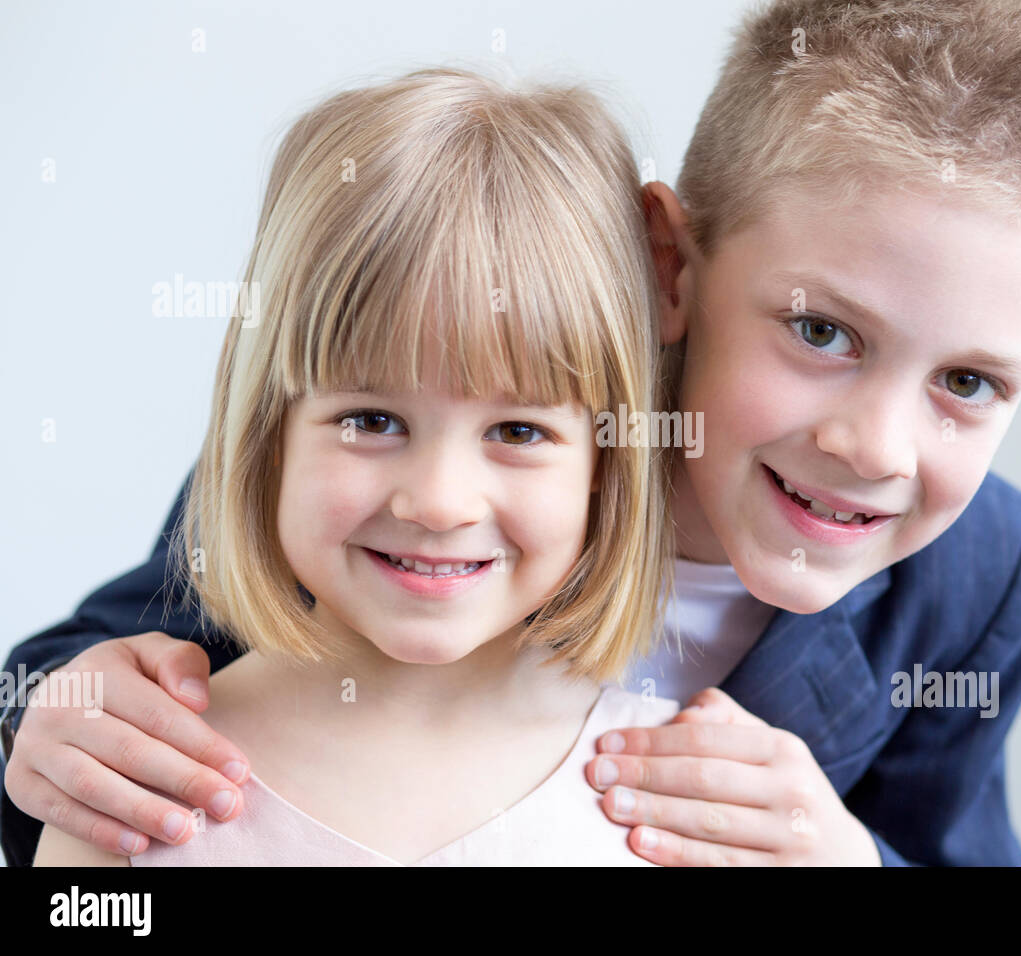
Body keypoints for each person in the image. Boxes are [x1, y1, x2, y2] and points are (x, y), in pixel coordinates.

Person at [3, 0, 1021, 867]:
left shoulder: (978, 578)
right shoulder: (427, 429)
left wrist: (846, 857)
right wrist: (56, 722)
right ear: (670, 265)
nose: (876, 445)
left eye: (969, 380)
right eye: (821, 329)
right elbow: (94, 667)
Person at [26, 65, 680, 865]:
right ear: (269, 436)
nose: (440, 503)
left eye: (516, 430)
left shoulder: (682, 801)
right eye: (372, 421)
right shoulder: (125, 787)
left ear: (605, 467)